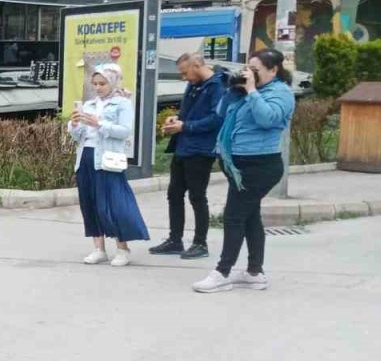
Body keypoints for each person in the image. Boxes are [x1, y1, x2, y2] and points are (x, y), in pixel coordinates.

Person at [192, 49, 295, 294]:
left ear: (273, 70)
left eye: (256, 70)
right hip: (237, 163)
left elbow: (267, 119)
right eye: (248, 68)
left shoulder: (281, 93)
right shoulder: (248, 91)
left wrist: (251, 91)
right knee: (250, 218)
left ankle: (222, 272)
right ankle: (254, 273)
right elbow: (220, 112)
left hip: (259, 165)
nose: (250, 73)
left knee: (234, 217)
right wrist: (234, 89)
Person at [68, 63, 149, 267]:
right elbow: (78, 136)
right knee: (90, 203)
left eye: (102, 83)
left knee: (115, 204)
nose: (97, 87)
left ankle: (122, 249)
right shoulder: (89, 104)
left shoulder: (122, 104)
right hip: (86, 157)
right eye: (94, 83)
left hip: (107, 159)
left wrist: (100, 123)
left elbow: (124, 131)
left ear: (112, 82)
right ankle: (99, 248)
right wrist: (75, 124)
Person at [151, 53, 226, 260]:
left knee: (197, 196)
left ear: (198, 65)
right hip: (183, 147)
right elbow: (188, 112)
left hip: (201, 150)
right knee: (174, 194)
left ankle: (200, 243)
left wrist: (185, 126)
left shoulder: (217, 86)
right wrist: (177, 118)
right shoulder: (194, 84)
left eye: (185, 72)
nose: (184, 77)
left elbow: (216, 119)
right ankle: (175, 240)